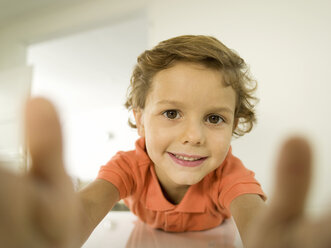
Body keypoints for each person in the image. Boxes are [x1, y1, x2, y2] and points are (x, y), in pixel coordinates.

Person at [0, 35, 330, 248]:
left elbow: (253, 217)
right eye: (172, 113)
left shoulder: (228, 173)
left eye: (214, 118)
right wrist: (60, 232)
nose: (194, 136)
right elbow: (86, 207)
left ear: (234, 125)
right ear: (141, 118)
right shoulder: (128, 165)